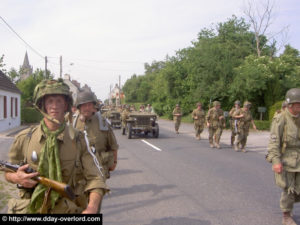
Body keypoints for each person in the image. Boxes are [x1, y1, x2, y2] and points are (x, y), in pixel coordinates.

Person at [5, 79, 108, 214]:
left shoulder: (78, 139)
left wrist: (92, 207)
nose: (54, 106)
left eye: (59, 101)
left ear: (66, 105)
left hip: (67, 209)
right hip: (32, 208)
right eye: (50, 101)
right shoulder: (25, 138)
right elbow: (7, 170)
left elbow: (96, 177)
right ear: (42, 105)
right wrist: (16, 178)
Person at [267, 88, 300, 225]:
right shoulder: (281, 118)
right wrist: (276, 161)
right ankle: (286, 215)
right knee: (289, 188)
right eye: (298, 104)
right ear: (290, 104)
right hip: (287, 159)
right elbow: (274, 142)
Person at [73, 91, 119, 180]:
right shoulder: (72, 123)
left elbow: (113, 145)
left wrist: (114, 162)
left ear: (93, 106)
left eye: (89, 105)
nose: (87, 108)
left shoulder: (102, 122)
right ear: (79, 107)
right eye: (84, 105)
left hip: (98, 168)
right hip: (78, 170)